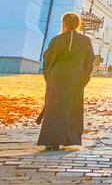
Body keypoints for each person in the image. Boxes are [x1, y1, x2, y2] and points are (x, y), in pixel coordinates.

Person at [37, 12, 95, 151]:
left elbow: (48, 59)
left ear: (64, 24)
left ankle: (52, 141)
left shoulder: (57, 40)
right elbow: (89, 62)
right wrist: (83, 79)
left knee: (54, 107)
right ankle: (70, 138)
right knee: (72, 107)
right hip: (76, 77)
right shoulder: (85, 41)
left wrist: (49, 77)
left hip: (57, 76)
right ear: (78, 25)